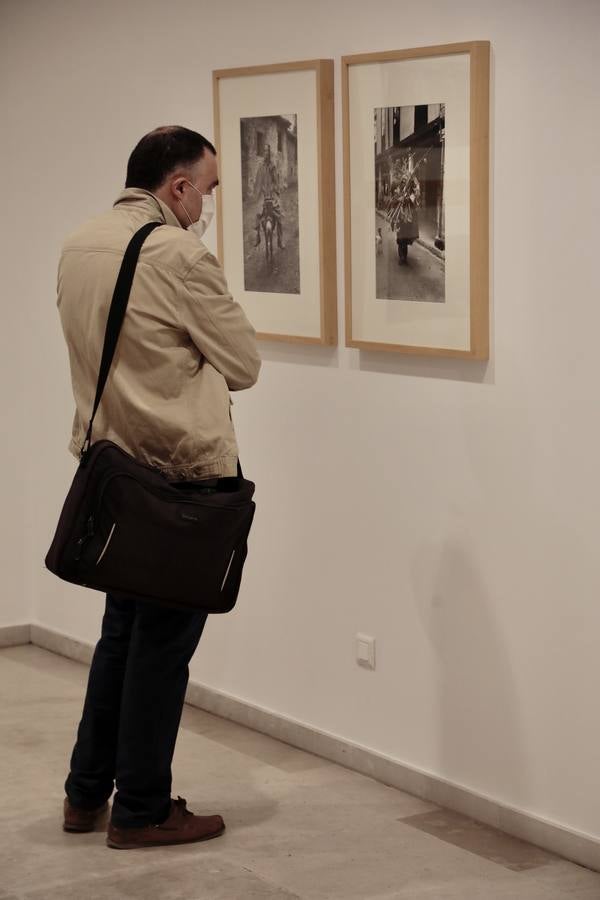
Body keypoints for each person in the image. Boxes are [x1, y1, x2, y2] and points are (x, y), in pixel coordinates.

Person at [57, 126, 261, 850]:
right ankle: (142, 806)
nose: (206, 205)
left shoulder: (80, 242)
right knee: (163, 646)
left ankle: (86, 795)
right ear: (176, 187)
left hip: (114, 473)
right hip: (180, 478)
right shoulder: (177, 253)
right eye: (205, 190)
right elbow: (242, 362)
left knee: (120, 634)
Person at [253, 143, 285, 249]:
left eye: (267, 151)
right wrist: (257, 193)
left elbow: (276, 181)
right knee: (258, 213)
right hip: (263, 195)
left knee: (279, 214)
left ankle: (280, 240)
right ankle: (257, 236)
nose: (265, 153)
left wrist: (275, 190)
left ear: (270, 153)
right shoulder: (260, 167)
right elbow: (258, 182)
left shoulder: (273, 166)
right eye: (264, 151)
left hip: (272, 194)